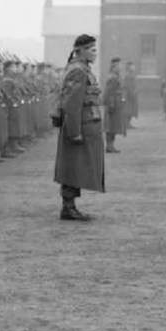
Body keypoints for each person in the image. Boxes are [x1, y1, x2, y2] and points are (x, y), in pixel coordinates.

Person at [53, 34, 105, 221]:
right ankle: (68, 207)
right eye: (92, 50)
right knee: (73, 167)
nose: (95, 53)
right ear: (80, 51)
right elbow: (72, 104)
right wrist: (74, 132)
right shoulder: (79, 71)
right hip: (79, 126)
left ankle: (70, 206)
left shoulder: (82, 69)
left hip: (84, 123)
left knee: (76, 167)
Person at [102, 56, 127, 153]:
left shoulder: (117, 76)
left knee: (114, 126)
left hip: (117, 104)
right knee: (110, 126)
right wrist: (111, 105)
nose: (120, 67)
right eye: (119, 65)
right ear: (114, 66)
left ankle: (111, 145)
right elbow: (109, 92)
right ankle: (109, 146)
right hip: (113, 105)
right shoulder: (112, 77)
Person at [123, 61, 139, 128]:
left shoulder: (131, 75)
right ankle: (126, 124)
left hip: (132, 95)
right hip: (128, 96)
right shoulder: (127, 76)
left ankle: (128, 123)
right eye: (132, 66)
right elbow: (128, 86)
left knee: (131, 110)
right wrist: (132, 94)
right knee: (128, 110)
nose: (133, 67)